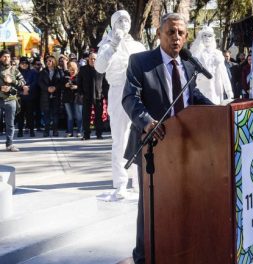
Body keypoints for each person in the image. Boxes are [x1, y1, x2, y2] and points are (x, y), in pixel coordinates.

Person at [122, 12, 212, 264]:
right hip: (153, 145)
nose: (176, 37)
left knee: (184, 200)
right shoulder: (140, 62)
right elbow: (130, 98)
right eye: (171, 32)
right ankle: (143, 257)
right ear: (160, 33)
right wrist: (146, 121)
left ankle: (177, 249)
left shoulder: (189, 64)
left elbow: (191, 96)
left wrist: (220, 110)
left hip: (184, 147)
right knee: (150, 205)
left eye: (181, 33)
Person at [95, 10, 146, 197]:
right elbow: (100, 67)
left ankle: (138, 180)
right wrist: (113, 45)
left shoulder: (138, 46)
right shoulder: (107, 45)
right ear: (113, 23)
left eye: (126, 19)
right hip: (117, 92)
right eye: (119, 20)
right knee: (120, 138)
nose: (124, 23)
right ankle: (121, 181)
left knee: (140, 136)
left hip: (138, 94)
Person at [190, 25, 233, 104]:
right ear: (201, 37)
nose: (207, 38)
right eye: (205, 35)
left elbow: (224, 73)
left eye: (209, 36)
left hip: (215, 88)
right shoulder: (196, 54)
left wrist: (229, 91)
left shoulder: (218, 54)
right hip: (201, 87)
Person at [78, 52, 109, 140]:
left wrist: (104, 94)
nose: (92, 60)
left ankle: (99, 134)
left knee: (99, 116)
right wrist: (81, 93)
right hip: (86, 96)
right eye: (91, 59)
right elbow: (79, 82)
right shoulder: (83, 69)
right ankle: (86, 134)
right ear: (88, 59)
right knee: (86, 116)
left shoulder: (101, 69)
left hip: (98, 96)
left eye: (94, 59)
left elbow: (105, 84)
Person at [0, 50, 27, 151]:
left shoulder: (14, 70)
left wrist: (12, 82)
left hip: (11, 100)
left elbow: (23, 82)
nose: (6, 59)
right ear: (0, 58)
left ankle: (9, 144)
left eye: (8, 56)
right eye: (4, 56)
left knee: (10, 124)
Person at [38, 55, 64, 137]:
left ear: (54, 62)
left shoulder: (59, 71)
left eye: (50, 61)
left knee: (55, 114)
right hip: (45, 96)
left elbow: (62, 81)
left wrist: (55, 87)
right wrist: (47, 88)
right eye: (47, 61)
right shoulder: (43, 72)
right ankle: (46, 130)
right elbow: (40, 83)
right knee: (46, 114)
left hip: (56, 95)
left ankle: (55, 130)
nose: (48, 62)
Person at [17, 56, 37, 137]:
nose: (24, 64)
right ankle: (20, 130)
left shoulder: (33, 72)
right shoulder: (16, 71)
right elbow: (14, 82)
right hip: (20, 96)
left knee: (30, 115)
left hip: (30, 96)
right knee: (20, 115)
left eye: (26, 63)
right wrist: (22, 88)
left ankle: (32, 130)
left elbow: (35, 82)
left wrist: (28, 88)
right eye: (22, 63)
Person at [62, 61, 82, 137]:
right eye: (70, 70)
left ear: (76, 69)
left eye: (73, 70)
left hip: (77, 97)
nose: (72, 71)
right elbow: (60, 86)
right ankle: (70, 132)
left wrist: (77, 87)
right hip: (67, 98)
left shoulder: (80, 76)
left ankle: (79, 131)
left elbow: (84, 86)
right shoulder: (65, 76)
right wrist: (65, 85)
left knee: (78, 116)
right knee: (70, 116)